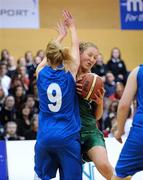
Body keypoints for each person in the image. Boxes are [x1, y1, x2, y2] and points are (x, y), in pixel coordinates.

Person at [34, 10, 82, 180]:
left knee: (40, 177)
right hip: (67, 136)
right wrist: (72, 28)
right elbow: (76, 48)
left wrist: (60, 36)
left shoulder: (40, 72)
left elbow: (50, 54)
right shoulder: (70, 71)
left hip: (45, 137)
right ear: (62, 56)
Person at [76, 42, 113, 180]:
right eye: (89, 55)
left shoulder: (95, 81)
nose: (92, 59)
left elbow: (97, 117)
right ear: (79, 53)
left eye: (95, 57)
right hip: (71, 133)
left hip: (90, 130)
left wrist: (99, 102)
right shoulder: (68, 74)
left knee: (105, 166)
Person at [112, 65, 143, 180]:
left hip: (141, 133)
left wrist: (120, 131)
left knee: (120, 176)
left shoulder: (138, 71)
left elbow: (124, 105)